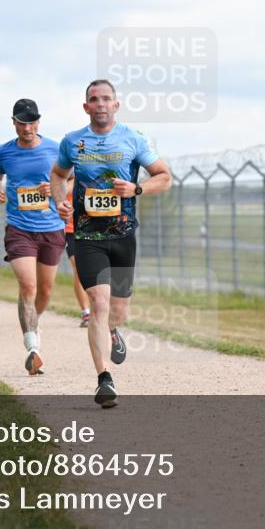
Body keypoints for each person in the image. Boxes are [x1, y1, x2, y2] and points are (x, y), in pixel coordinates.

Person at [51, 79, 173, 408]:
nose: (101, 103)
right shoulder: (72, 141)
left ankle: (113, 332)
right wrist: (61, 202)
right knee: (99, 304)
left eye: (107, 99)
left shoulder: (134, 139)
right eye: (94, 99)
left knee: (118, 310)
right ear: (86, 107)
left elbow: (164, 176)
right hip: (87, 236)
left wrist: (137, 189)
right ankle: (104, 378)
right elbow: (58, 175)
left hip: (122, 236)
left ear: (115, 105)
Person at [0, 98, 66, 375]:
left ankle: (33, 323)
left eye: (32, 122)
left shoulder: (55, 148)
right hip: (19, 227)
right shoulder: (4, 152)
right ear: (14, 123)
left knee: (45, 290)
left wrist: (55, 187)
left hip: (51, 227)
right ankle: (32, 346)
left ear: (38, 122)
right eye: (22, 123)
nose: (27, 127)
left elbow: (71, 178)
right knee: (28, 286)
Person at [63, 175, 91, 327]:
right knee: (79, 268)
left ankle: (100, 309)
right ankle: (86, 312)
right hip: (71, 229)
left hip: (92, 227)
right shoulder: (66, 169)